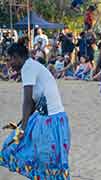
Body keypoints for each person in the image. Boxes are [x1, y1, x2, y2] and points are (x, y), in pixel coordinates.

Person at [0, 43, 71, 179]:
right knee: (42, 160)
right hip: (50, 118)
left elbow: (27, 100)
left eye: (9, 60)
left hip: (51, 121)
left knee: (45, 161)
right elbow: (33, 101)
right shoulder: (30, 66)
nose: (9, 64)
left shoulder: (28, 68)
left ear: (17, 57)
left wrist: (22, 129)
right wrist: (21, 124)